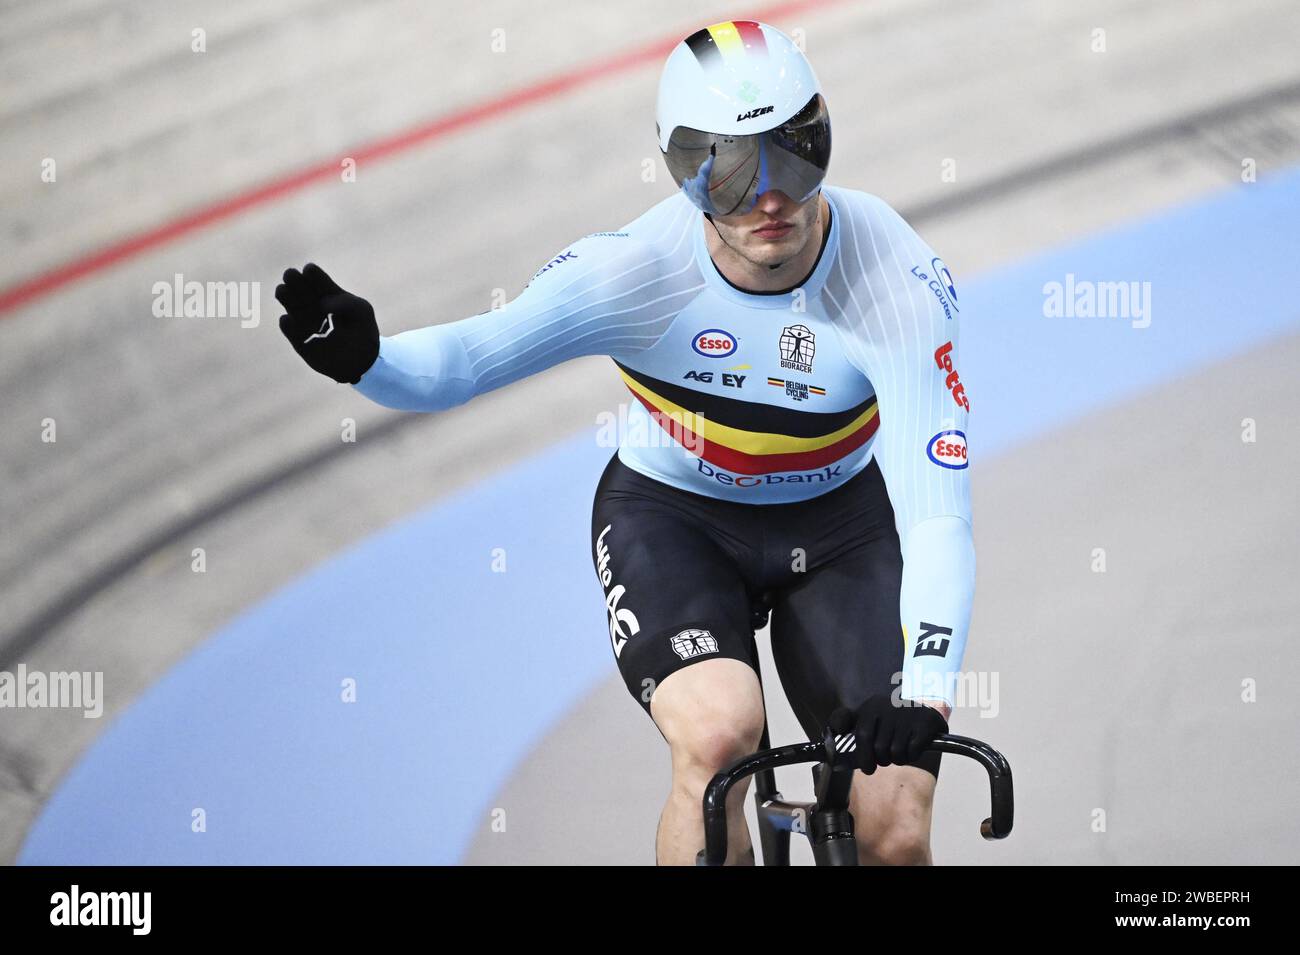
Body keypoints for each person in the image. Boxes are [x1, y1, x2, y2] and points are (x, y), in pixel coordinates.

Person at [276, 20, 975, 865]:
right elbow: (464, 362)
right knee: (719, 740)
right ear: (684, 175)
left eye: (792, 154)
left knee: (896, 824)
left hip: (839, 528)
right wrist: (372, 363)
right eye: (730, 170)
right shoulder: (634, 275)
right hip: (674, 518)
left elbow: (937, 516)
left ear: (825, 134)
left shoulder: (894, 282)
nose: (769, 198)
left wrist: (928, 696)